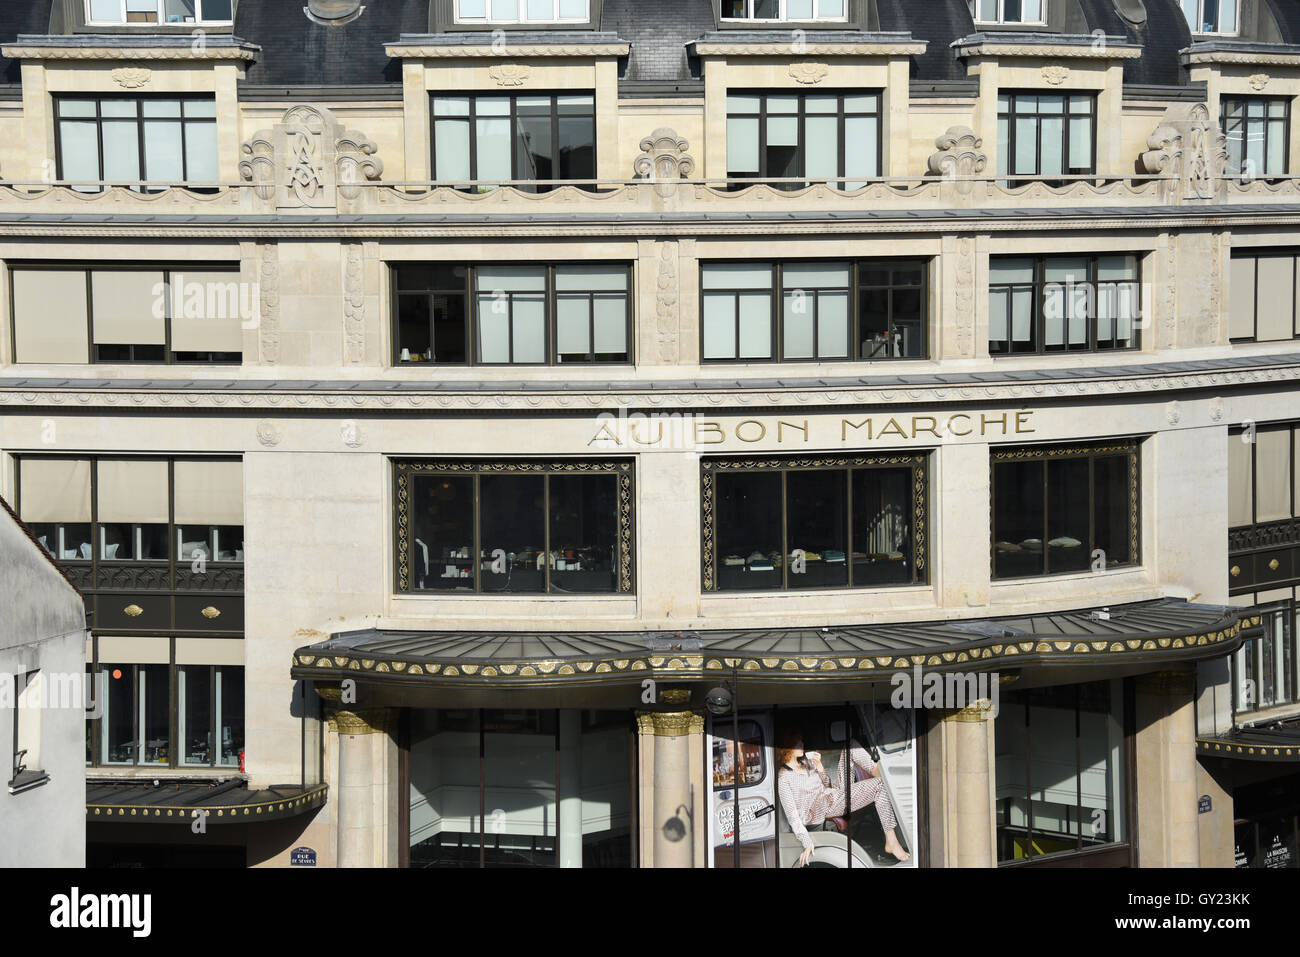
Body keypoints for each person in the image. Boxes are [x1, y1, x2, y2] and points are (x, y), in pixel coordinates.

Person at [776, 733, 911, 867]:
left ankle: (877, 771)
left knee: (850, 745)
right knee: (880, 785)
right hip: (822, 807)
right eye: (796, 743)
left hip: (832, 794)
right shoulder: (784, 778)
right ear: (785, 748)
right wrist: (807, 842)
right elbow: (793, 817)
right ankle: (891, 841)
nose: (801, 744)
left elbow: (827, 784)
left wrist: (819, 766)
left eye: (800, 741)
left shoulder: (806, 763)